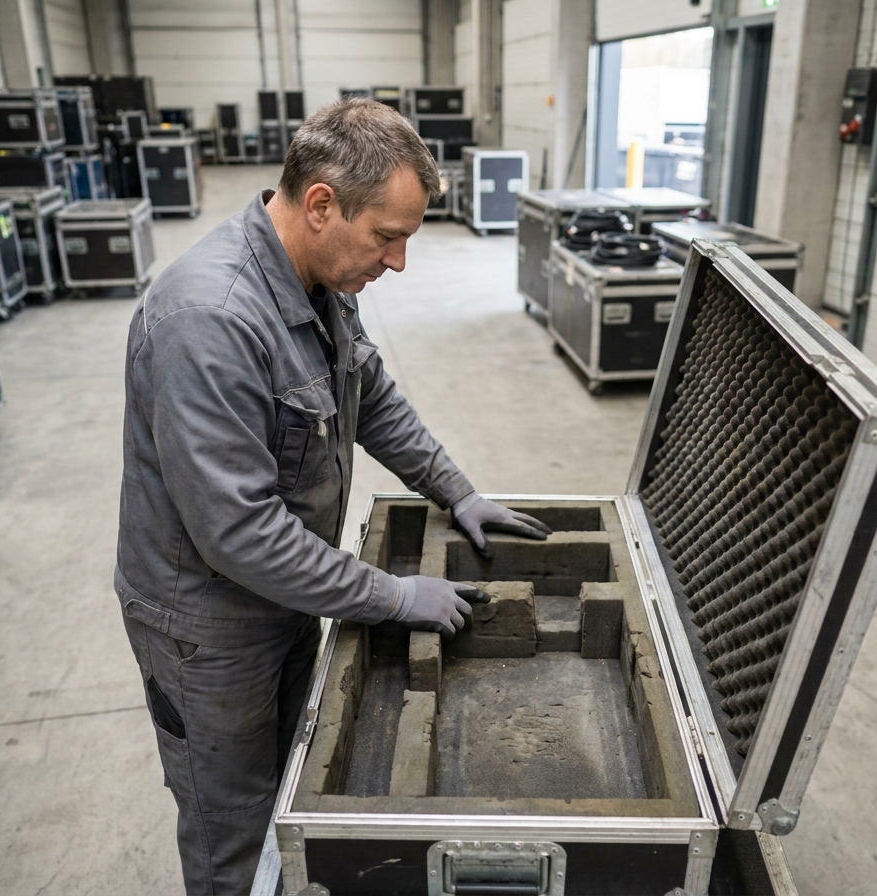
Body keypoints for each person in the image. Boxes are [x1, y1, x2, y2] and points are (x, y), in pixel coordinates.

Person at [113, 98, 553, 895]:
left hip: (284, 598)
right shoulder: (208, 320)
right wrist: (389, 595)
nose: (398, 262)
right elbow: (241, 534)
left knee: (289, 788)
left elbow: (370, 394)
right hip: (207, 628)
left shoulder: (316, 277)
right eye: (389, 237)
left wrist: (455, 489)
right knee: (234, 826)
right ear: (321, 204)